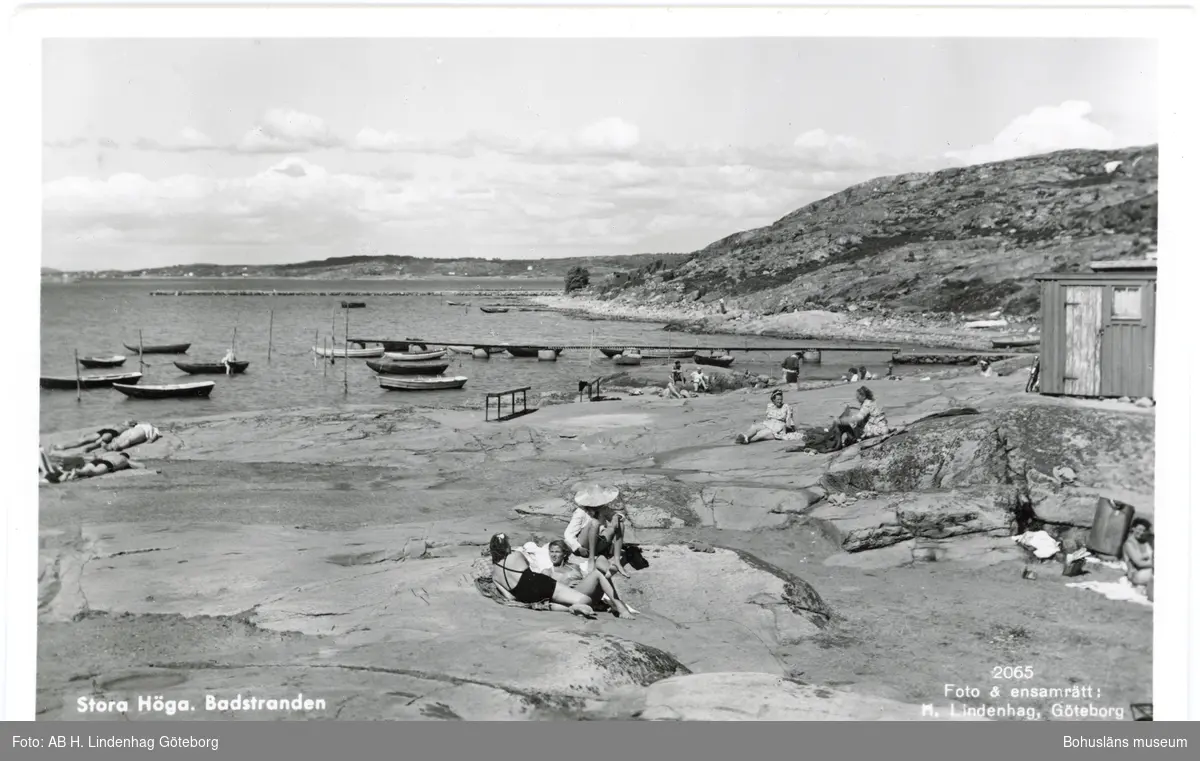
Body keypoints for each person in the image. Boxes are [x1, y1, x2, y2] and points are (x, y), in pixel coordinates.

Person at [489, 533, 597, 618]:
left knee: (551, 601)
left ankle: (571, 608)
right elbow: (528, 568)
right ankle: (575, 606)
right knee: (586, 600)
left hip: (526, 596)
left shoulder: (495, 575)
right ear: (506, 547)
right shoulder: (516, 555)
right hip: (540, 583)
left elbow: (510, 597)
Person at [543, 539, 636, 618]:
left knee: (601, 559)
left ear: (564, 554)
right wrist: (565, 585)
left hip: (589, 595)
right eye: (551, 551)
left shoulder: (574, 567)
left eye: (557, 552)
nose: (553, 555)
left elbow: (585, 580)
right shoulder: (548, 572)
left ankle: (610, 571)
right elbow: (548, 594)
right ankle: (620, 606)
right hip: (572, 596)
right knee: (598, 574)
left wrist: (583, 582)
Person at [564, 483, 631, 578]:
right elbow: (568, 534)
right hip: (585, 546)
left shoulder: (603, 509)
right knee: (594, 523)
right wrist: (578, 547)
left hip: (598, 542)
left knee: (620, 524)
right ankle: (591, 559)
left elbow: (616, 515)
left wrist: (616, 516)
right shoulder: (581, 512)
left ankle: (617, 561)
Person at [40, 447, 142, 483]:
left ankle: (67, 473)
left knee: (87, 470)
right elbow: (141, 466)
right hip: (109, 464)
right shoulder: (125, 459)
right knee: (93, 473)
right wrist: (128, 464)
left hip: (96, 461)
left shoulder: (109, 454)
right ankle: (76, 472)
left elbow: (95, 458)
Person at [50, 421, 135, 453]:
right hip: (106, 430)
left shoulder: (129, 428)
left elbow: (127, 435)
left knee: (98, 442)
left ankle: (88, 449)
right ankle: (63, 447)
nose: (127, 420)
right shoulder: (120, 424)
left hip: (113, 433)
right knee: (83, 440)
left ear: (132, 424)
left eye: (129, 420)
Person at [1123, 518, 1153, 587]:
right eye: (1139, 529)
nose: (1141, 533)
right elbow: (1139, 563)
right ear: (1133, 528)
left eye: (1144, 531)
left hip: (1145, 571)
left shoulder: (1144, 542)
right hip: (1135, 575)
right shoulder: (1129, 544)